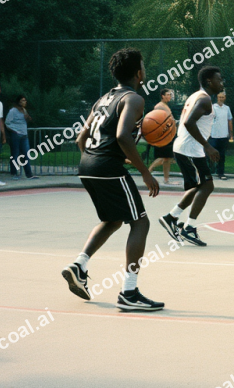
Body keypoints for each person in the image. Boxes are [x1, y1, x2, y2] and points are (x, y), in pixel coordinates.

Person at [63, 48, 164, 312]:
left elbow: (80, 139)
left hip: (87, 165)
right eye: (143, 65)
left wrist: (97, 159)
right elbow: (122, 136)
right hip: (106, 165)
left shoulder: (104, 99)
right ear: (138, 72)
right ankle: (129, 292)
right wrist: (144, 170)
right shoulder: (134, 98)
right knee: (140, 222)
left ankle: (79, 265)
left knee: (113, 219)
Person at [159, 67, 223, 247]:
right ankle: (187, 227)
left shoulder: (196, 96)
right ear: (209, 81)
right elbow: (188, 122)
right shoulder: (204, 100)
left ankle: (171, 217)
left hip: (188, 149)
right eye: (219, 80)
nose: (222, 83)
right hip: (191, 150)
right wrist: (207, 145)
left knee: (198, 187)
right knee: (207, 185)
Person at [5, 95, 38, 181]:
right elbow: (7, 122)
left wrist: (28, 118)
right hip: (16, 134)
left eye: (25, 100)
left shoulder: (24, 111)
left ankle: (29, 174)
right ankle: (14, 172)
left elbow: (27, 120)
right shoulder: (13, 111)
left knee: (26, 154)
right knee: (15, 154)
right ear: (19, 102)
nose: (25, 102)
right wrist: (13, 130)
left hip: (24, 134)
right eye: (23, 100)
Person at [148, 88, 175, 184]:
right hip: (162, 135)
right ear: (162, 96)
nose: (169, 97)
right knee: (162, 157)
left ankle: (166, 179)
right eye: (168, 95)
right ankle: (147, 173)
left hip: (168, 135)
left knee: (167, 158)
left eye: (170, 95)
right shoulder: (159, 106)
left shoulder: (165, 106)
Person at [208, 90, 233, 180]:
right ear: (217, 98)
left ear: (224, 98)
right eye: (219, 97)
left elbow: (229, 120)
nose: (221, 99)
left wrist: (231, 134)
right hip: (213, 135)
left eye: (222, 97)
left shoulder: (227, 108)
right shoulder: (213, 107)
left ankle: (221, 173)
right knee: (211, 154)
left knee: (222, 155)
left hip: (223, 135)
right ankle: (210, 171)